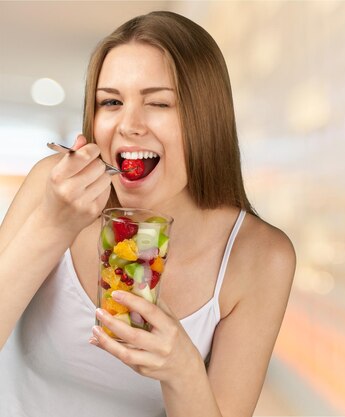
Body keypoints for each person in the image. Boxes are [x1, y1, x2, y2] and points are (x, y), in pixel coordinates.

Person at [0, 10, 295, 417]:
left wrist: (182, 369)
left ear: (207, 118)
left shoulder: (260, 257)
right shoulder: (51, 185)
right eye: (111, 102)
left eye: (158, 103)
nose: (129, 124)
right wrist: (52, 225)